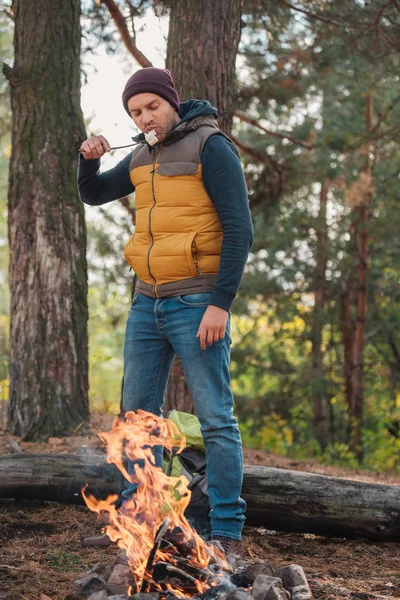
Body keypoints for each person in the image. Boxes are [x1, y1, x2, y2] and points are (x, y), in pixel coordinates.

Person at [78, 67, 253, 556]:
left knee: (216, 419)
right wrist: (87, 162)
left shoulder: (210, 147)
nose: (144, 116)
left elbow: (240, 230)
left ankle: (226, 533)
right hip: (145, 303)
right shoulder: (138, 155)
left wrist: (220, 304)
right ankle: (140, 522)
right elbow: (92, 193)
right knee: (137, 420)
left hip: (197, 301)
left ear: (171, 102)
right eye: (135, 111)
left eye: (151, 106)